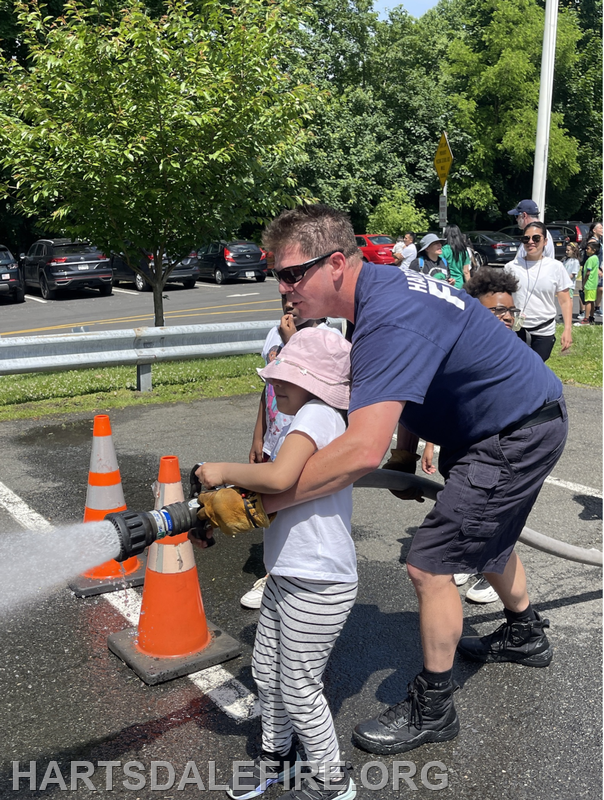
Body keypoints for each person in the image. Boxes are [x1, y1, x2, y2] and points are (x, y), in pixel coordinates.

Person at [198, 327, 358, 800]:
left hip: (319, 580)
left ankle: (333, 783)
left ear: (315, 382)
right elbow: (274, 494)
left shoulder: (318, 416)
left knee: (299, 687)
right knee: (267, 672)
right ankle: (277, 758)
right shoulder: (305, 416)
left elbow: (279, 476)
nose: (274, 385)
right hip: (289, 574)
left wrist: (221, 471)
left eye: (285, 378)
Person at [421, 267, 521, 605]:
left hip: (498, 455)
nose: (506, 318)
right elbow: (442, 396)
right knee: (467, 512)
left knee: (493, 521)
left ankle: (488, 570)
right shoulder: (461, 346)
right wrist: (429, 444)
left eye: (511, 311)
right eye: (498, 311)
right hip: (464, 451)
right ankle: (468, 558)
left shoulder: (516, 354)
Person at [241, 296, 334, 609]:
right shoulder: (273, 334)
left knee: (293, 510)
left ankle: (281, 578)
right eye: (283, 298)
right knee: (270, 511)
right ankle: (274, 572)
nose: (289, 305)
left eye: (297, 299)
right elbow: (267, 386)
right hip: (275, 436)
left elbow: (311, 376)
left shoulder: (326, 337)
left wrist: (292, 339)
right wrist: (259, 434)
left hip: (304, 441)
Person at [505, 220, 573, 361]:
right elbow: (504, 298)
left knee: (536, 371)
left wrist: (567, 329)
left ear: (545, 241)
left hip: (544, 331)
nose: (531, 242)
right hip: (517, 330)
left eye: (536, 238)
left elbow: (565, 300)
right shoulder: (511, 267)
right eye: (526, 238)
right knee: (516, 370)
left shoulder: (556, 267)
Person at [575, 239, 600, 326]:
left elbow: (588, 273)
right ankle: (591, 317)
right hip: (594, 283)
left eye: (588, 248)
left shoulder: (590, 259)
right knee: (592, 301)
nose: (586, 250)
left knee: (588, 301)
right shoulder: (596, 258)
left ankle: (586, 319)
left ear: (594, 250)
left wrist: (583, 283)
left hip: (589, 283)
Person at [441, 225, 471, 289]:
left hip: (448, 283)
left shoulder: (444, 250)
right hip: (460, 284)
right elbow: (466, 272)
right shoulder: (464, 251)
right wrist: (470, 288)